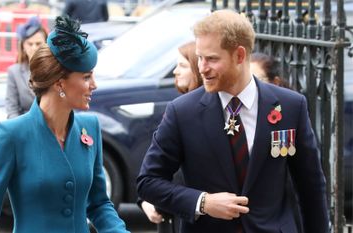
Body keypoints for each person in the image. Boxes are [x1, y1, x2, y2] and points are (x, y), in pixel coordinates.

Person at [137, 9, 329, 233]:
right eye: (199, 57)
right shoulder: (182, 112)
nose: (202, 68)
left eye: (211, 59)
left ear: (239, 56)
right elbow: (148, 182)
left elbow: (310, 187)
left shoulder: (290, 106)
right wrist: (203, 202)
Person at [0, 16, 129, 233]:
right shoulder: (11, 134)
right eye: (87, 77)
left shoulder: (90, 127)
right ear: (60, 83)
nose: (94, 85)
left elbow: (99, 204)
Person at [139, 41, 202, 233]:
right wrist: (145, 200)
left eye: (183, 65)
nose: (175, 71)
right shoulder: (177, 109)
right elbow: (154, 167)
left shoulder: (200, 113)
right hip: (171, 212)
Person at [6, 16, 47, 119]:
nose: (34, 48)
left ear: (46, 45)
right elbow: (12, 109)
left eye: (38, 44)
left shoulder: (56, 69)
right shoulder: (14, 72)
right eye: (30, 44)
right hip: (24, 127)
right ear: (23, 46)